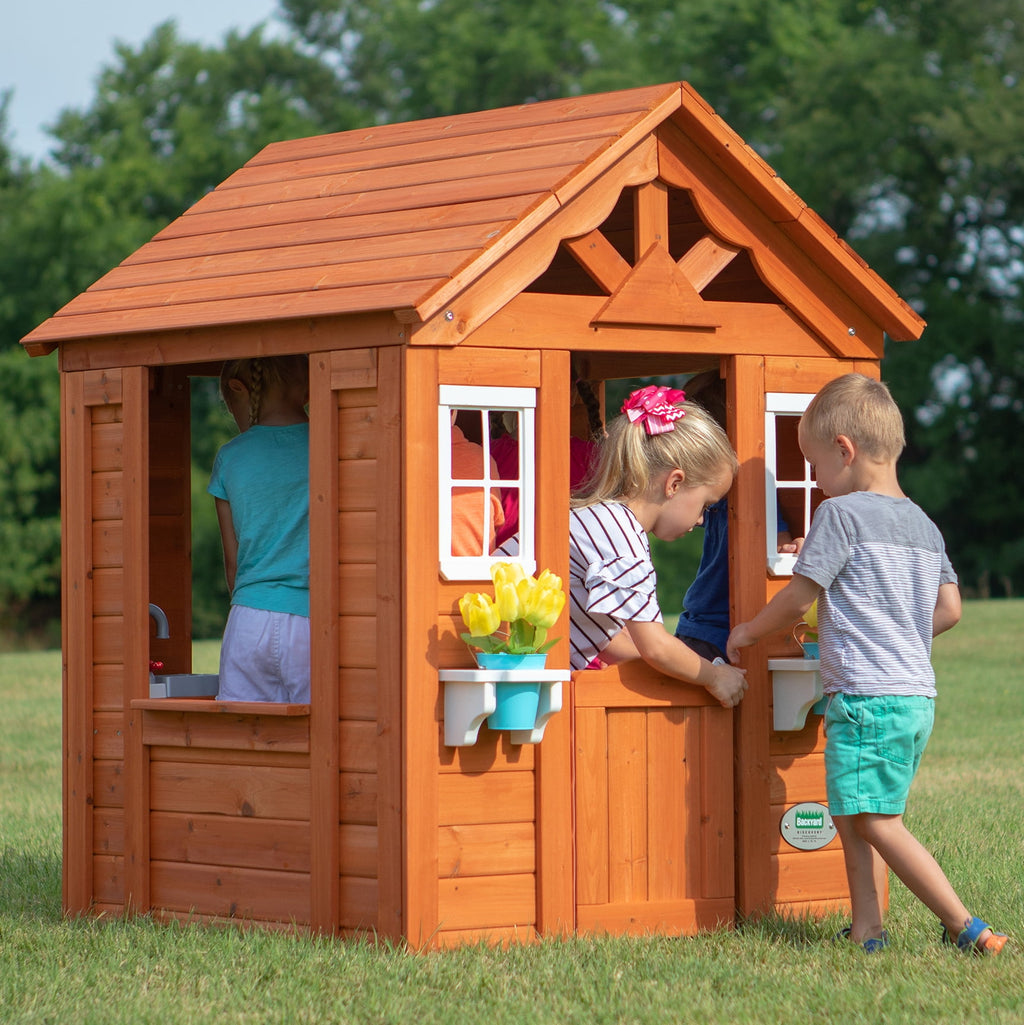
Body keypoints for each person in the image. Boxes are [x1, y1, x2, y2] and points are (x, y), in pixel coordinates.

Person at [726, 373, 1007, 955]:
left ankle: (966, 927)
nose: (816, 482)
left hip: (866, 700)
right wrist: (900, 628)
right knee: (856, 811)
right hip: (913, 699)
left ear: (844, 450)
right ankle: (866, 930)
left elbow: (800, 596)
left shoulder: (841, 515)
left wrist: (749, 631)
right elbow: (950, 609)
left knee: (878, 822)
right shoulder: (923, 524)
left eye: (814, 467)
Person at [568, 384, 748, 709]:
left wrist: (690, 663)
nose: (701, 521)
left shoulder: (604, 520)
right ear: (674, 484)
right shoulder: (620, 541)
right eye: (705, 505)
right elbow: (656, 648)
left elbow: (611, 642)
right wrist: (714, 676)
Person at [674, 370, 800, 662]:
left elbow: (779, 542)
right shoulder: (716, 492)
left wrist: (788, 547)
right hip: (702, 625)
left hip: (720, 631)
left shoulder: (758, 492)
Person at [209, 355, 311, 703]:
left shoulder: (230, 457)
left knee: (242, 739)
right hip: (313, 621)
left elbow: (233, 563)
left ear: (239, 388)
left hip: (247, 622)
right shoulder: (331, 443)